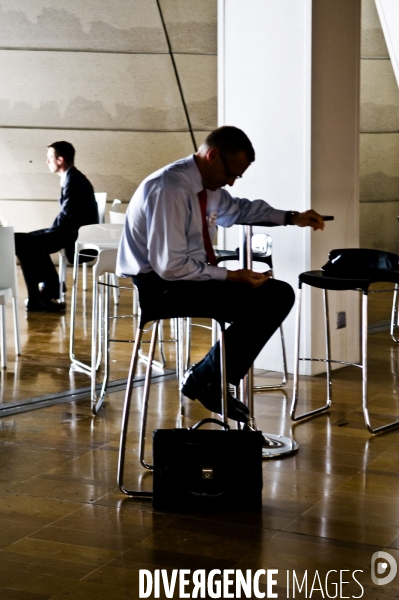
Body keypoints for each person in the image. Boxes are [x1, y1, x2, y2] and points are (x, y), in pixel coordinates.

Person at [116, 126, 324, 422]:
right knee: (272, 297)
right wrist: (230, 276)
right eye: (231, 174)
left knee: (274, 295)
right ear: (212, 156)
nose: (231, 182)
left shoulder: (209, 189)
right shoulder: (170, 188)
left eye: (237, 177)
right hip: (160, 287)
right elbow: (170, 266)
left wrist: (291, 218)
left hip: (184, 280)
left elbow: (238, 210)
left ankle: (208, 378)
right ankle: (208, 379)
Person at [15, 141, 99, 312]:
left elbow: (67, 217)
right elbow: (66, 215)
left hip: (73, 235)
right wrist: (49, 230)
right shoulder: (72, 177)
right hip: (69, 230)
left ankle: (45, 292)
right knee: (24, 241)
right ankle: (46, 291)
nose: (47, 162)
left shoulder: (73, 180)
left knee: (22, 242)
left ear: (60, 160)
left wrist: (50, 231)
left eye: (49, 158)